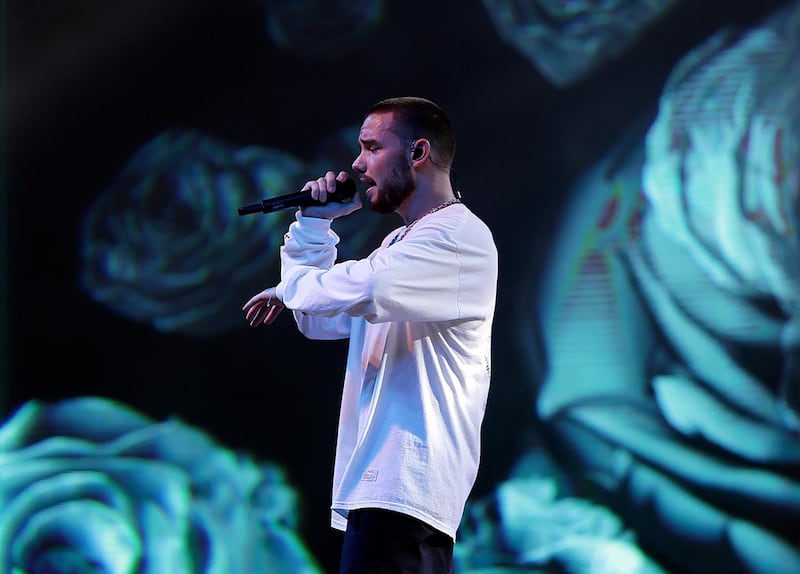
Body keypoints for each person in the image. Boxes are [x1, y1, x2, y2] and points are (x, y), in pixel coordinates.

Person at [243, 96, 498, 573]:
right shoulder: (403, 244)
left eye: (371, 148)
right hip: (383, 491)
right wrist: (314, 226)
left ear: (418, 153)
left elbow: (367, 285)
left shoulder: (456, 239)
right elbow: (320, 318)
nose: (357, 165)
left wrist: (289, 286)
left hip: (407, 489)